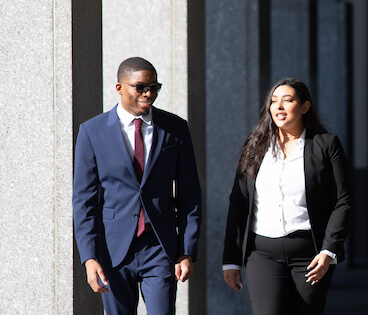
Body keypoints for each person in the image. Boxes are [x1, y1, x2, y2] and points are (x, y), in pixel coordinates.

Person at [73, 57, 201, 314]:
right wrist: (89, 258)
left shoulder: (175, 129)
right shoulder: (92, 131)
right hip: (113, 250)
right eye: (140, 87)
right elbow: (84, 201)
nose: (149, 93)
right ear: (119, 87)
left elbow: (190, 194)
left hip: (160, 248)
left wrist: (187, 251)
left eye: (154, 87)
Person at [221, 78, 352, 314]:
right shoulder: (255, 146)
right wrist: (231, 259)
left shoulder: (325, 144)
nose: (278, 107)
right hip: (262, 255)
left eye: (287, 100)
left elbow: (343, 201)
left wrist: (328, 251)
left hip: (310, 256)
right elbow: (238, 203)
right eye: (273, 101)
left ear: (304, 107)